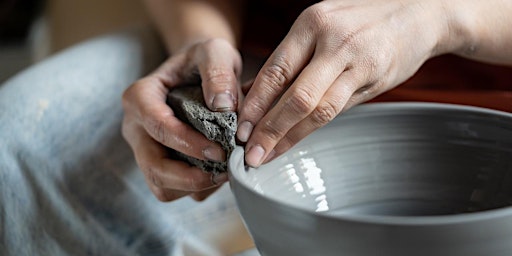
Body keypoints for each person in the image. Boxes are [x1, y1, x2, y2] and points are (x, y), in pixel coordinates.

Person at [1, 0, 511, 255]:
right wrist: (200, 39)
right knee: (16, 143)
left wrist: (444, 17)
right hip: (273, 77)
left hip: (489, 87)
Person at [123, 0, 512, 203]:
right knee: (63, 147)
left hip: (489, 99)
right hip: (269, 70)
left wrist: (439, 15)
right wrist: (200, 41)